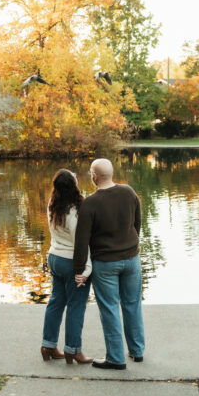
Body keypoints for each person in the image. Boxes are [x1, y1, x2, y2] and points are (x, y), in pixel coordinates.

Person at [73, 158, 145, 370]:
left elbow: (81, 241)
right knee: (132, 304)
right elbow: (137, 223)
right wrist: (131, 246)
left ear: (94, 176)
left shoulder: (90, 203)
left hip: (105, 264)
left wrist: (79, 270)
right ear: (111, 173)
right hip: (132, 259)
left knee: (110, 308)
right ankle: (137, 351)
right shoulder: (129, 192)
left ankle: (115, 358)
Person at [40, 169, 94, 364]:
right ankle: (73, 350)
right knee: (76, 306)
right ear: (74, 186)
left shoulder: (53, 204)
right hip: (70, 261)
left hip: (54, 257)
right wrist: (86, 269)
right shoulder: (74, 211)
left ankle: (48, 345)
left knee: (56, 302)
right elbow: (80, 243)